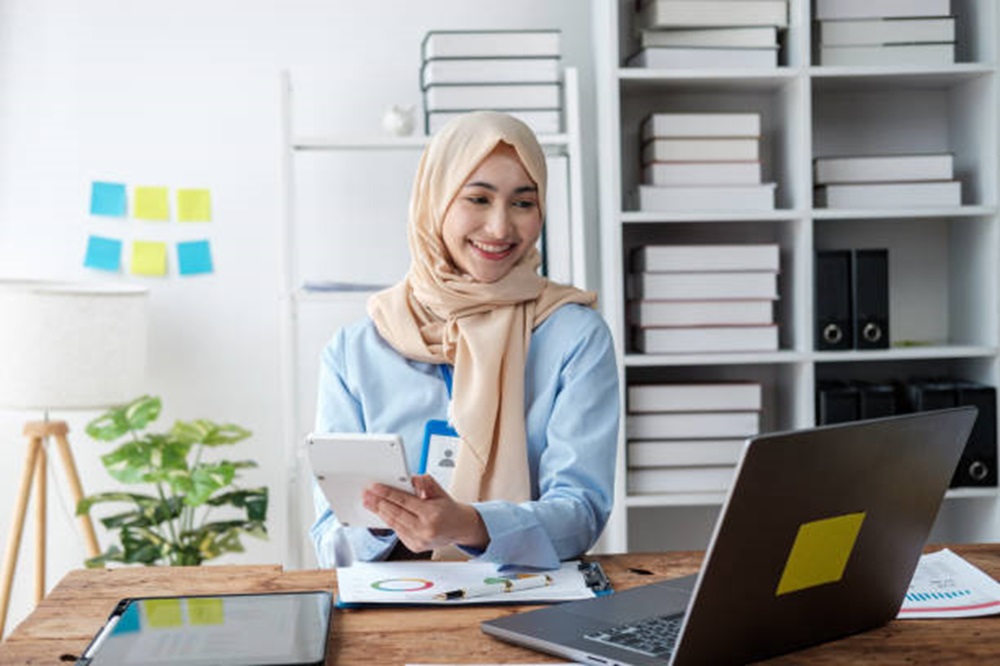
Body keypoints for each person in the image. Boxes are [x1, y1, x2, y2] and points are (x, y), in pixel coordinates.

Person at [310, 111, 619, 570]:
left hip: (529, 603)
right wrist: (383, 522)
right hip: (395, 610)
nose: (499, 228)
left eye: (523, 203)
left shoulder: (574, 335)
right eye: (478, 198)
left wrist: (470, 524)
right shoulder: (355, 352)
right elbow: (328, 542)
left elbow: (582, 511)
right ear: (434, 201)